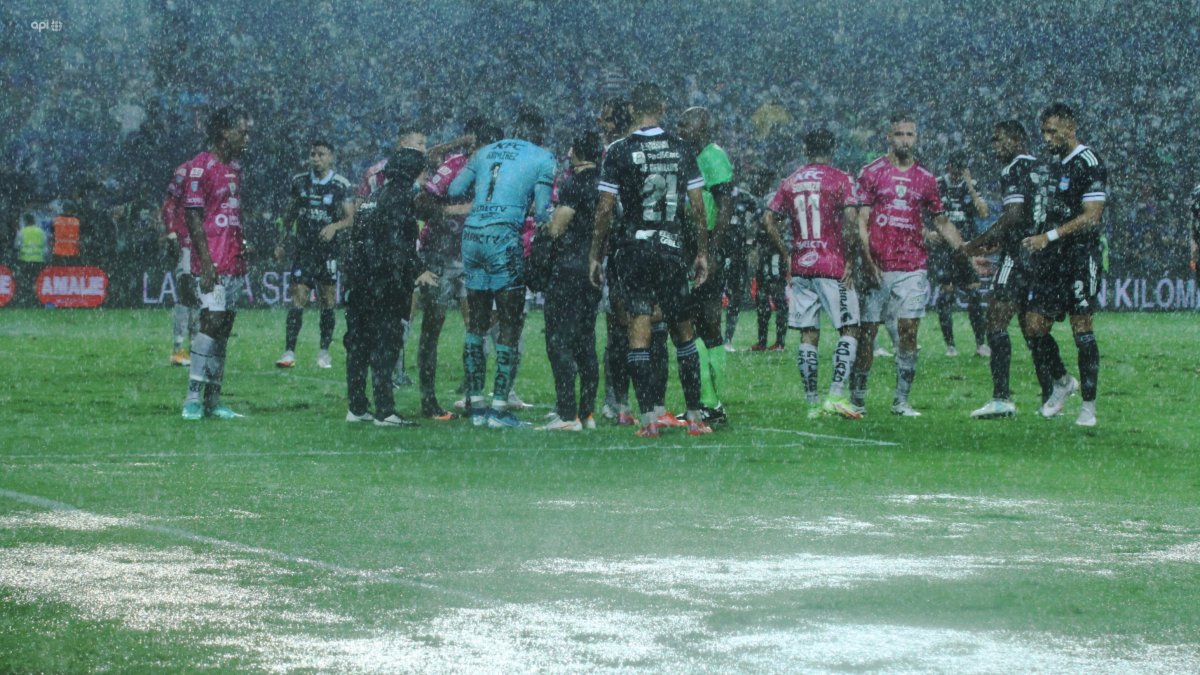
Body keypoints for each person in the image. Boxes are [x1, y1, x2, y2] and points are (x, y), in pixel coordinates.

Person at [588, 81, 712, 437]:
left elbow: (605, 208)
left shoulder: (618, 150)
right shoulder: (681, 147)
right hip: (671, 248)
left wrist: (596, 255)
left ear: (632, 108)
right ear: (661, 105)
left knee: (638, 330)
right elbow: (698, 206)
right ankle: (694, 417)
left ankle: (648, 421)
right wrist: (701, 252)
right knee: (683, 333)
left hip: (633, 250)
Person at [850, 113, 966, 417]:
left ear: (916, 138)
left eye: (910, 134)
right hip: (877, 266)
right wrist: (865, 260)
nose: (904, 139)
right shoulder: (871, 172)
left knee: (909, 333)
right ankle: (857, 399)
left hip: (913, 265)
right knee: (867, 334)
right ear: (889, 137)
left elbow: (940, 220)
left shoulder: (926, 179)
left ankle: (901, 400)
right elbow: (861, 221)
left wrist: (965, 250)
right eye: (899, 134)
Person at [448, 105, 556, 428]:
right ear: (538, 134)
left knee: (477, 321)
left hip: (472, 234)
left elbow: (453, 190)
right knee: (510, 321)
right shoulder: (542, 157)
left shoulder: (485, 151)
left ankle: (477, 406)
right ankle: (498, 409)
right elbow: (542, 211)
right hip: (503, 236)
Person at [762, 128, 863, 420]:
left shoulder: (790, 181)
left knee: (808, 333)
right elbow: (851, 221)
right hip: (831, 264)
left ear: (806, 150)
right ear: (833, 149)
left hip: (802, 265)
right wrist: (850, 260)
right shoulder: (841, 179)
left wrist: (786, 255)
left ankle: (811, 404)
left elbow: (768, 219)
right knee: (849, 328)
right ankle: (836, 395)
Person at [1020, 103, 1108, 427]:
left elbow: (1092, 216)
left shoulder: (1089, 161)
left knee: (1081, 327)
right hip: (1051, 258)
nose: (1046, 138)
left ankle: (1088, 406)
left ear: (1070, 127)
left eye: (1052, 131)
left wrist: (1050, 235)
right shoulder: (1053, 164)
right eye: (1043, 131)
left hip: (1080, 255)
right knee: (1034, 326)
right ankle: (1061, 381)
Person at [343, 143, 439, 427]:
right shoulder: (400, 198)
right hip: (384, 283)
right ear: (412, 172)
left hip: (361, 282)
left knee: (358, 344)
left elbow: (358, 240)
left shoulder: (372, 197)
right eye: (423, 171)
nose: (425, 178)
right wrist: (417, 269)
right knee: (386, 344)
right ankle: (385, 410)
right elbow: (397, 243)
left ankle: (357, 407)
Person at [962, 120, 1049, 419]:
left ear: (1016, 139)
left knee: (996, 321)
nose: (995, 146)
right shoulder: (1041, 168)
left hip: (1018, 256)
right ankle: (1051, 395)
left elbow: (1012, 217)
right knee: (1031, 328)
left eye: (999, 140)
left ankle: (1002, 398)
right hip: (1039, 254)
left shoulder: (1013, 169)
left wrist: (978, 244)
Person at [416, 117, 497, 421]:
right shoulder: (453, 167)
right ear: (475, 147)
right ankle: (429, 401)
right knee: (432, 329)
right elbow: (421, 205)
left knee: (477, 328)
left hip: (475, 258)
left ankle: (472, 398)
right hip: (441, 258)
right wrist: (455, 209)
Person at [180, 106, 251, 420]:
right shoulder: (200, 167)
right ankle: (192, 398)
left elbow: (231, 216)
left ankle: (214, 399)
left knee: (224, 329)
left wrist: (243, 245)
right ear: (225, 132)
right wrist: (206, 263)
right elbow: (193, 217)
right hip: (211, 262)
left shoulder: (233, 169)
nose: (246, 137)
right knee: (211, 322)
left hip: (233, 260)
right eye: (242, 131)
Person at [539, 131, 604, 431]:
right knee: (585, 340)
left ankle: (567, 415)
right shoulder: (605, 183)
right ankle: (586, 412)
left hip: (569, 268)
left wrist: (545, 227)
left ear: (576, 153)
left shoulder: (574, 184)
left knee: (559, 341)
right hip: (594, 268)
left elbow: (557, 228)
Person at [274, 139, 354, 370]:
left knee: (327, 301)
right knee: (298, 297)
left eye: (321, 154)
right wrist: (281, 241)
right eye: (313, 154)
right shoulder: (299, 182)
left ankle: (324, 351)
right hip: (304, 250)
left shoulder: (341, 185)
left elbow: (351, 218)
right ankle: (289, 351)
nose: (316, 159)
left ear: (331, 157)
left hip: (328, 252)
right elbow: (289, 215)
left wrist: (334, 227)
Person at [679, 106, 734, 426]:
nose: (681, 128)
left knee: (702, 322)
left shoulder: (713, 156)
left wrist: (711, 251)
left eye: (686, 124)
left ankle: (710, 401)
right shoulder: (687, 154)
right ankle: (708, 401)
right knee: (698, 323)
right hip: (691, 246)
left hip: (706, 246)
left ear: (702, 127)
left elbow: (725, 205)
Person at [932, 152, 990, 357]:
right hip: (945, 248)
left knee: (974, 291)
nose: (956, 175)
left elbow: (984, 213)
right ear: (947, 167)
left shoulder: (971, 184)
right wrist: (930, 231)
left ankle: (980, 344)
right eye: (954, 170)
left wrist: (970, 185)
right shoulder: (937, 184)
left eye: (960, 171)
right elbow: (926, 211)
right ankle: (950, 346)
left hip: (967, 246)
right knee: (946, 292)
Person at [160, 160, 199, 365]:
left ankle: (193, 349)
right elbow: (168, 205)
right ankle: (177, 349)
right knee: (186, 294)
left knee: (198, 297)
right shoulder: (186, 170)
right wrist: (172, 234)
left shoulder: (219, 173)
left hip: (203, 245)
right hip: (185, 241)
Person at [750, 209, 788, 352]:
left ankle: (779, 342)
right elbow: (756, 242)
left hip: (775, 264)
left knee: (779, 301)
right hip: (764, 264)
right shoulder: (763, 212)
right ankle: (762, 342)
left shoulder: (780, 221)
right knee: (762, 303)